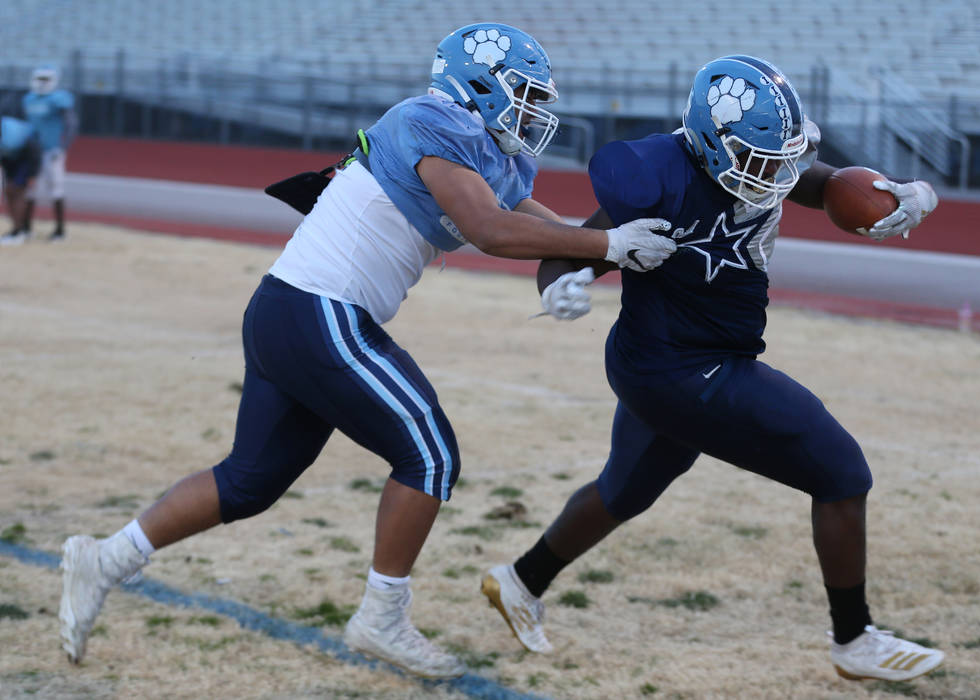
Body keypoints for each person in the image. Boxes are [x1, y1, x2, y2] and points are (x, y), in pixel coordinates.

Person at [57, 23, 675, 679]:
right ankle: (381, 616)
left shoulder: (494, 150)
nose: (531, 111)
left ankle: (106, 558)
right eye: (522, 93)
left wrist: (578, 269)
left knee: (249, 480)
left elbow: (536, 226)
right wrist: (607, 247)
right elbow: (489, 229)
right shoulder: (431, 119)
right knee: (429, 453)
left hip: (294, 309)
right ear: (480, 85)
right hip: (317, 308)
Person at [481, 55, 945, 683]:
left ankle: (521, 580)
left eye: (780, 157)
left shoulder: (764, 162)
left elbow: (815, 180)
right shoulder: (657, 177)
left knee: (627, 489)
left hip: (670, 359)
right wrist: (560, 285)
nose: (774, 175)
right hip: (681, 367)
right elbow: (574, 248)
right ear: (708, 143)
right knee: (841, 471)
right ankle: (854, 639)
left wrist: (897, 193)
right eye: (759, 162)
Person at [22, 65, 77, 241]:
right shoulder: (28, 98)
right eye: (40, 78)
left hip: (51, 150)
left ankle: (60, 230)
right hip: (32, 152)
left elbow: (71, 124)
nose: (42, 83)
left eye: (46, 79)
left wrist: (63, 147)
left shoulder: (59, 99)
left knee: (56, 188)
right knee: (28, 189)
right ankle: (25, 227)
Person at [0, 115, 42, 246]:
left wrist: (33, 175)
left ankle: (19, 231)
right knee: (10, 192)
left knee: (17, 192)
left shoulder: (12, 134)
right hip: (13, 160)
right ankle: (18, 229)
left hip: (25, 159)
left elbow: (33, 150)